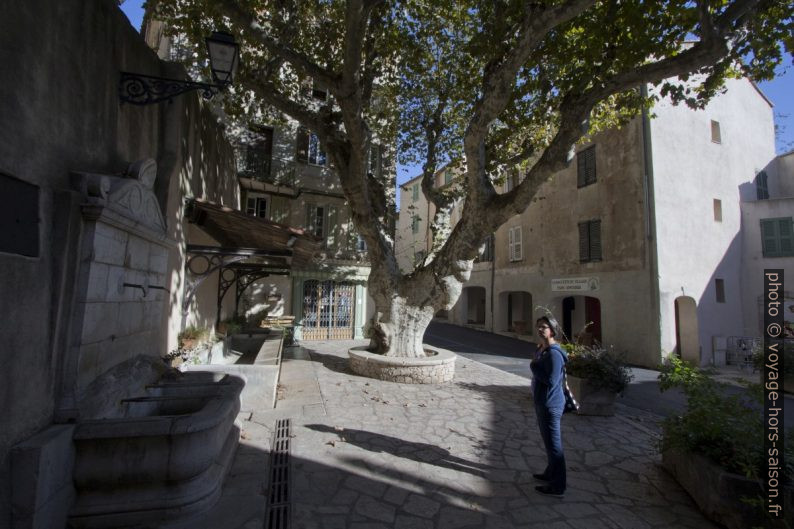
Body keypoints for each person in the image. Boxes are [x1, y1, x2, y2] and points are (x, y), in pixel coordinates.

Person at [530, 315, 568, 497]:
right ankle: (550, 473)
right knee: (548, 442)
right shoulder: (544, 349)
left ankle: (558, 485)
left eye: (543, 327)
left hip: (550, 404)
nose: (540, 329)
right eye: (538, 326)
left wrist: (535, 367)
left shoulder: (554, 354)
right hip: (542, 402)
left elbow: (551, 381)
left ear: (552, 330)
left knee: (555, 446)